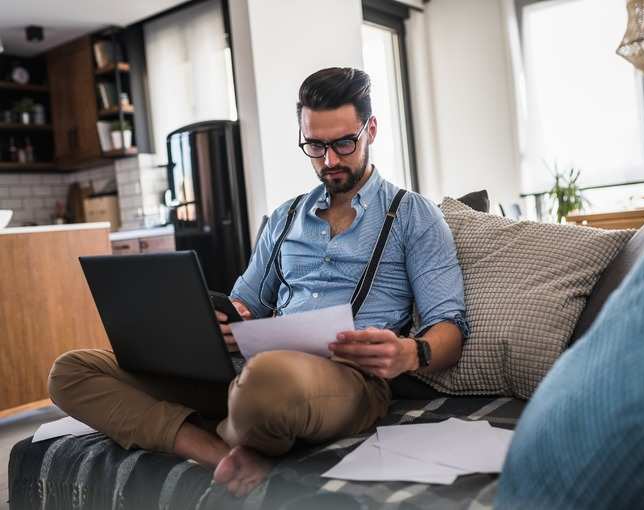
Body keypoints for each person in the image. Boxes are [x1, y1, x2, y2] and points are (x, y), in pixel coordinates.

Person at [47, 67, 468, 497]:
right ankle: (213, 448)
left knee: (265, 383)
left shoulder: (413, 214)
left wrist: (410, 352)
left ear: (371, 129)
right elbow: (244, 302)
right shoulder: (285, 217)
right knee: (70, 371)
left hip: (347, 380)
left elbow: (450, 325)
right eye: (315, 145)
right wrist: (223, 322)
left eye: (344, 143)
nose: (330, 161)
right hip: (251, 373)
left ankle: (231, 421)